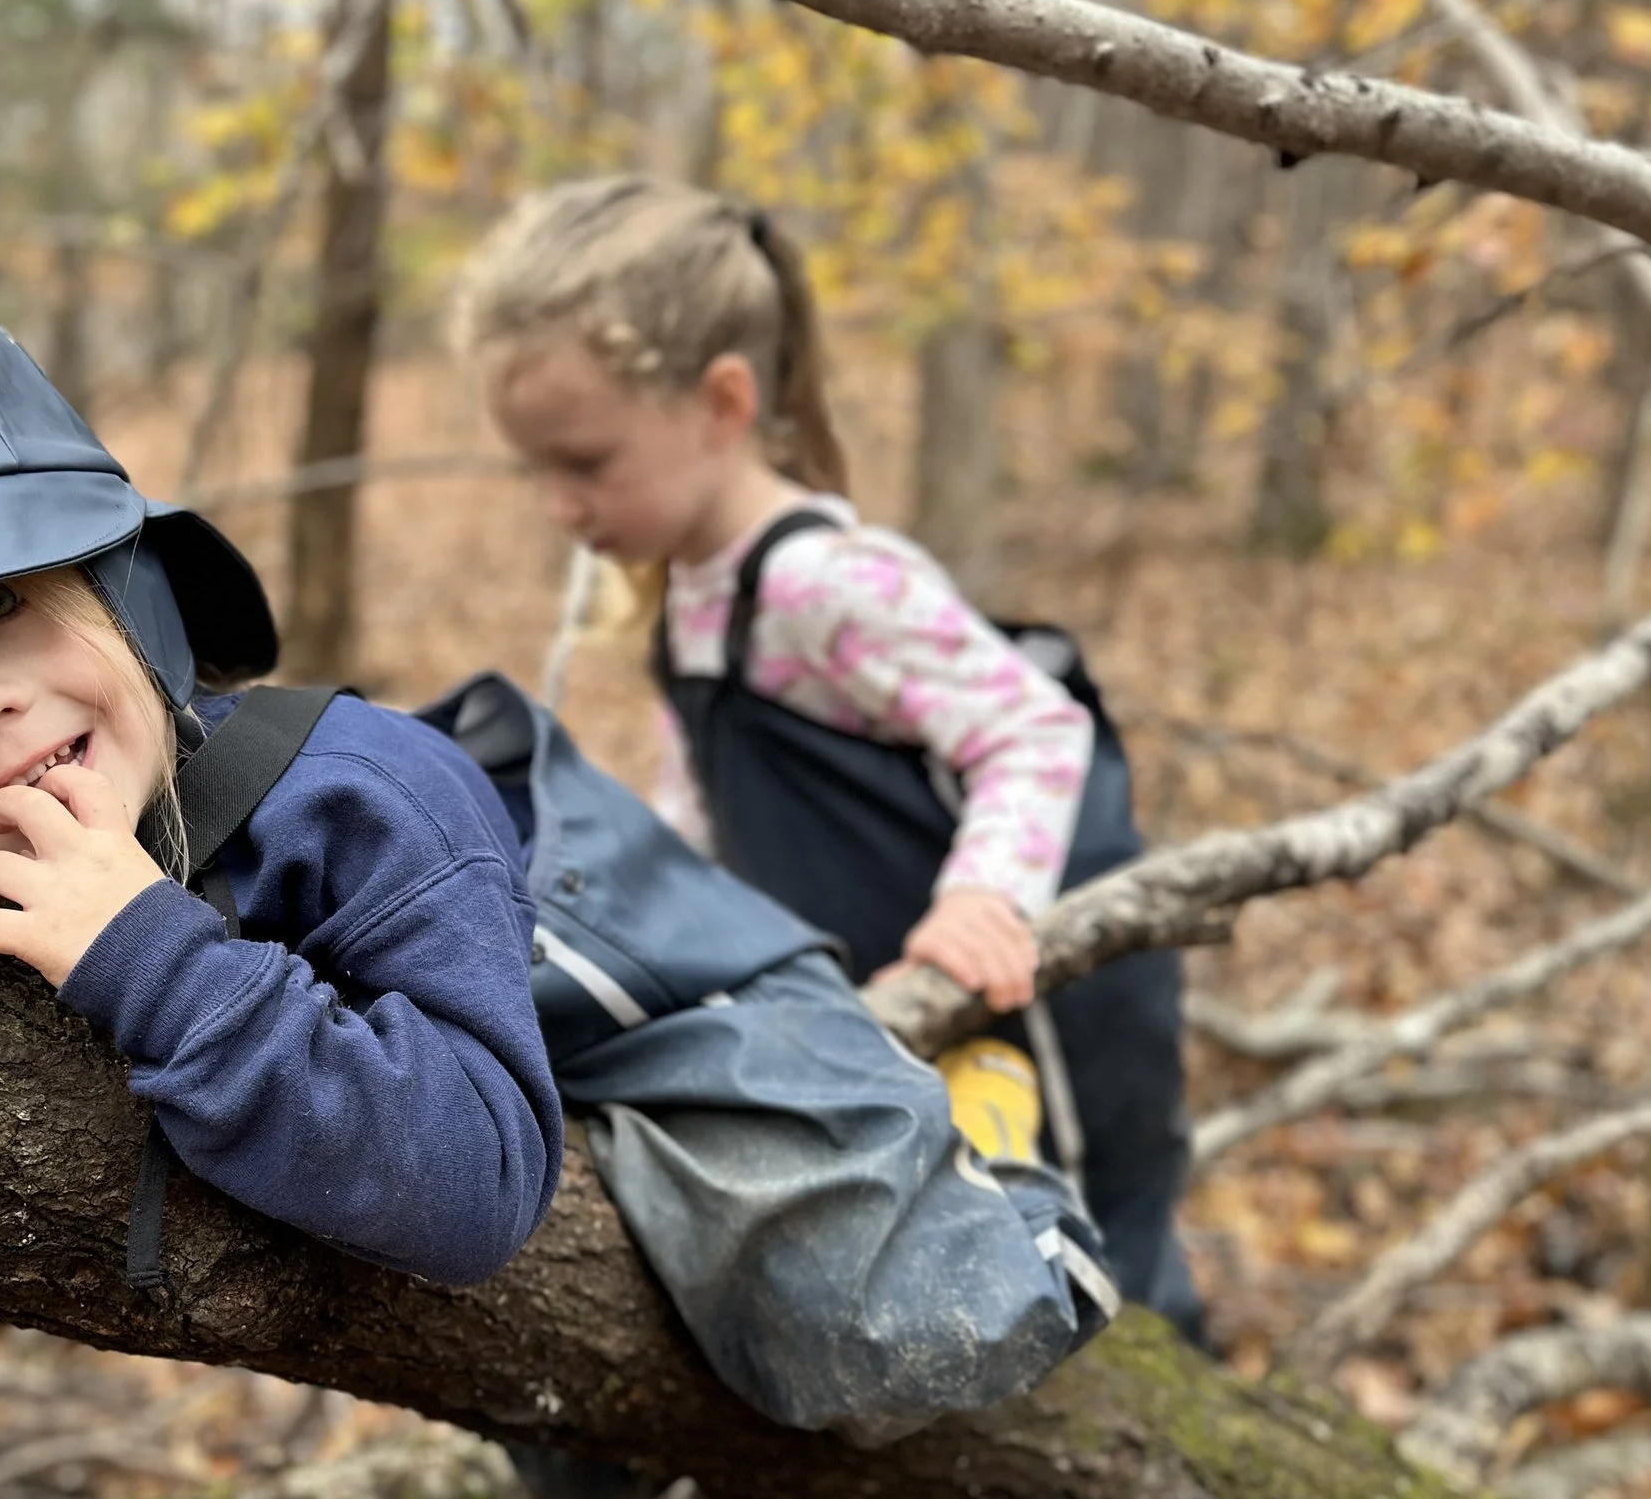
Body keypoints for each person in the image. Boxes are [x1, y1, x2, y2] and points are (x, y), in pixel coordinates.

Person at [0, 302, 562, 1287]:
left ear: (126, 589)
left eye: (2, 601)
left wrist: (154, 964)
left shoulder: (367, 801)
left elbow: (486, 1188)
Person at [455, 174, 1201, 1332]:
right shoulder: (688, 593)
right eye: (533, 470)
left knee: (1106, 1246)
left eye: (585, 462)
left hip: (1034, 992)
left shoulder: (822, 583)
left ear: (720, 403)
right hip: (891, 1000)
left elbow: (1032, 727)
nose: (557, 506)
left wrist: (984, 902)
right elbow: (697, 809)